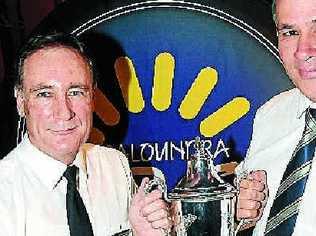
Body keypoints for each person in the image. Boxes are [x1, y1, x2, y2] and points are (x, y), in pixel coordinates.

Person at [0, 32, 171, 236]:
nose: (64, 112)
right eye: (45, 94)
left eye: (76, 92)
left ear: (92, 96)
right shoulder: (4, 192)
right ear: (21, 102)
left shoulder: (114, 165)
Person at [236, 0, 316, 235]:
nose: (304, 50)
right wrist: (242, 212)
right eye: (290, 32)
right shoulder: (270, 115)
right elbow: (246, 214)